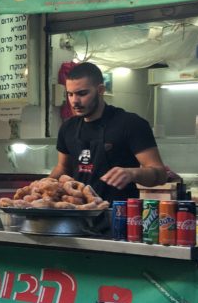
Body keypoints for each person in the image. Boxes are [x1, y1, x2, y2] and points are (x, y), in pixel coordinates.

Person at [50, 61, 167, 202]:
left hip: (117, 216)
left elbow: (160, 174)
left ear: (100, 90)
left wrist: (133, 173)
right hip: (78, 213)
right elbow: (63, 167)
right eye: (70, 94)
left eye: (82, 93)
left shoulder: (131, 124)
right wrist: (44, 184)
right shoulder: (68, 127)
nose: (74, 101)